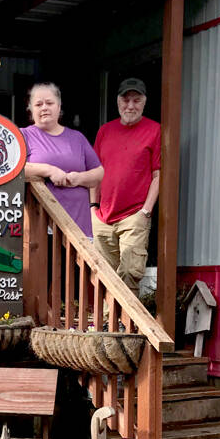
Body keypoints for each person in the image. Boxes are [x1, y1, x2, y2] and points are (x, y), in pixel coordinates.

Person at [91, 78, 160, 296]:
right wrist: (93, 207)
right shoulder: (105, 131)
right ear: (118, 101)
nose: (130, 106)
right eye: (125, 99)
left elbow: (159, 175)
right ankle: (106, 324)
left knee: (130, 272)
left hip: (134, 215)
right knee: (104, 275)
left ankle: (125, 326)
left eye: (136, 100)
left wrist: (146, 212)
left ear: (144, 102)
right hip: (103, 215)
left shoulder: (155, 130)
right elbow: (95, 172)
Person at [23, 82, 104, 237]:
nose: (44, 107)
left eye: (49, 103)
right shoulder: (23, 135)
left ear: (59, 107)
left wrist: (79, 178)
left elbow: (99, 173)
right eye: (38, 104)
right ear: (31, 109)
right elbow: (11, 168)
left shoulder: (77, 138)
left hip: (80, 226)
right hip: (42, 228)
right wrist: (48, 170)